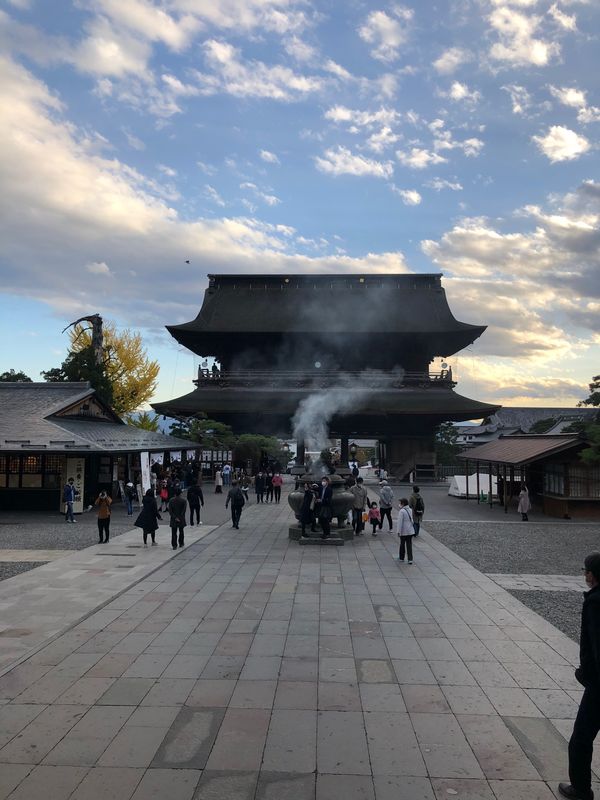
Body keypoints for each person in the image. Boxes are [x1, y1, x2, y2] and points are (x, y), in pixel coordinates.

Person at [558, 552, 600, 800]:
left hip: (598, 687)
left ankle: (581, 789)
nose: (585, 574)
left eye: (586, 570)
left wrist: (587, 675)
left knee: (581, 739)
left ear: (592, 575)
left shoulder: (595, 602)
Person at [396, 498, 415, 564]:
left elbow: (400, 522)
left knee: (402, 544)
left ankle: (401, 557)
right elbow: (412, 520)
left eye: (400, 503)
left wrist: (398, 531)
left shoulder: (402, 511)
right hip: (410, 530)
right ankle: (410, 559)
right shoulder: (410, 510)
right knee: (409, 545)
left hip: (403, 531)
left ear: (403, 504)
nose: (399, 504)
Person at [317, 476, 333, 540]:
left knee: (325, 520)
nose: (323, 482)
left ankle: (327, 533)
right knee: (322, 520)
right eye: (322, 481)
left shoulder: (329, 489)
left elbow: (329, 499)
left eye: (324, 481)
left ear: (327, 482)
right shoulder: (321, 488)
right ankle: (324, 533)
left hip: (326, 506)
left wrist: (321, 500)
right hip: (321, 506)